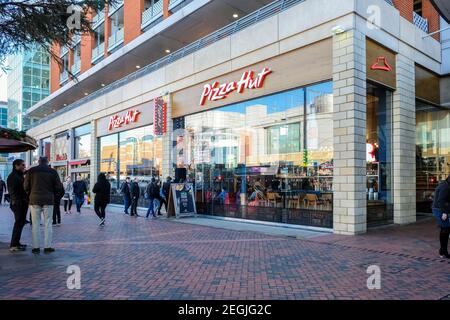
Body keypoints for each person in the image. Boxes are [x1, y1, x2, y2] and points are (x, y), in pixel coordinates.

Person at [24, 157, 63, 254]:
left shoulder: (31, 171)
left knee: (35, 224)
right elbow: (59, 187)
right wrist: (53, 196)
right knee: (48, 223)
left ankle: (36, 247)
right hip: (48, 200)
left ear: (38, 162)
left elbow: (25, 186)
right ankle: (47, 246)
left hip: (34, 200)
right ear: (47, 162)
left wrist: (30, 194)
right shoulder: (52, 172)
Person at [7, 159, 28, 252]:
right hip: (17, 203)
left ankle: (16, 243)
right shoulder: (13, 177)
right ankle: (13, 245)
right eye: (22, 165)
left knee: (21, 223)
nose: (24, 166)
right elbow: (14, 191)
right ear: (16, 166)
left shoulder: (19, 175)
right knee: (18, 223)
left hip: (21, 203)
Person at [432, 175, 450, 259]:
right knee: (445, 229)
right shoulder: (445, 187)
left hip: (442, 209)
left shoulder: (446, 184)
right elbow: (441, 201)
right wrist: (444, 212)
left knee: (445, 229)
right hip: (439, 209)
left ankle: (442, 250)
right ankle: (443, 251)